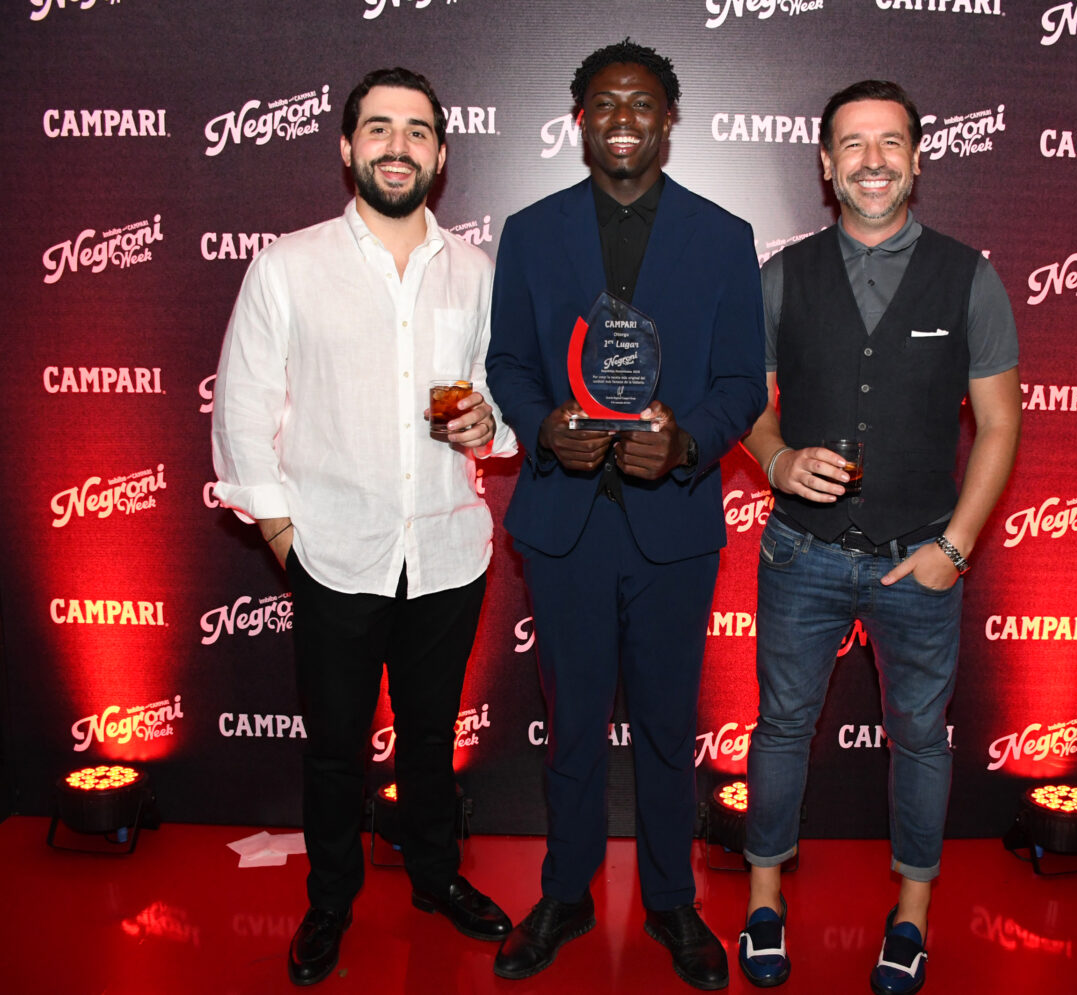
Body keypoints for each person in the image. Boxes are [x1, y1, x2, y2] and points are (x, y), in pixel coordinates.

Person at [211, 67, 515, 987]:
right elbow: (242, 409)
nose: (397, 145)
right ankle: (331, 897)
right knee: (336, 744)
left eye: (417, 131)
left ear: (441, 155)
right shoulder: (288, 266)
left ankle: (434, 876)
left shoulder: (476, 271)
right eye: (378, 129)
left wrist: (487, 428)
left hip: (447, 552)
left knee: (431, 739)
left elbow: (504, 407)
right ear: (346, 148)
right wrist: (281, 540)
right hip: (332, 554)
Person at [486, 39, 765, 992]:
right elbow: (510, 368)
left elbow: (740, 385)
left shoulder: (725, 236)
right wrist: (539, 429)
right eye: (603, 103)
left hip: (673, 524)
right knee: (567, 728)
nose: (622, 119)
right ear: (578, 120)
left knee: (662, 722)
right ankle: (564, 893)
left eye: (641, 104)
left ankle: (670, 901)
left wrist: (687, 444)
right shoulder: (529, 231)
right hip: (563, 521)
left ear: (668, 121)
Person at [737, 80, 1021, 994]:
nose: (871, 160)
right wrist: (777, 461)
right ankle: (764, 900)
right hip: (799, 554)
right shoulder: (781, 275)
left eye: (889, 142)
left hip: (920, 561)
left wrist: (958, 545)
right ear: (824, 165)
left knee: (920, 740)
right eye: (852, 145)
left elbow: (1001, 423)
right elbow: (747, 402)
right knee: (780, 730)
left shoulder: (970, 274)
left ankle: (911, 915)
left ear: (917, 158)